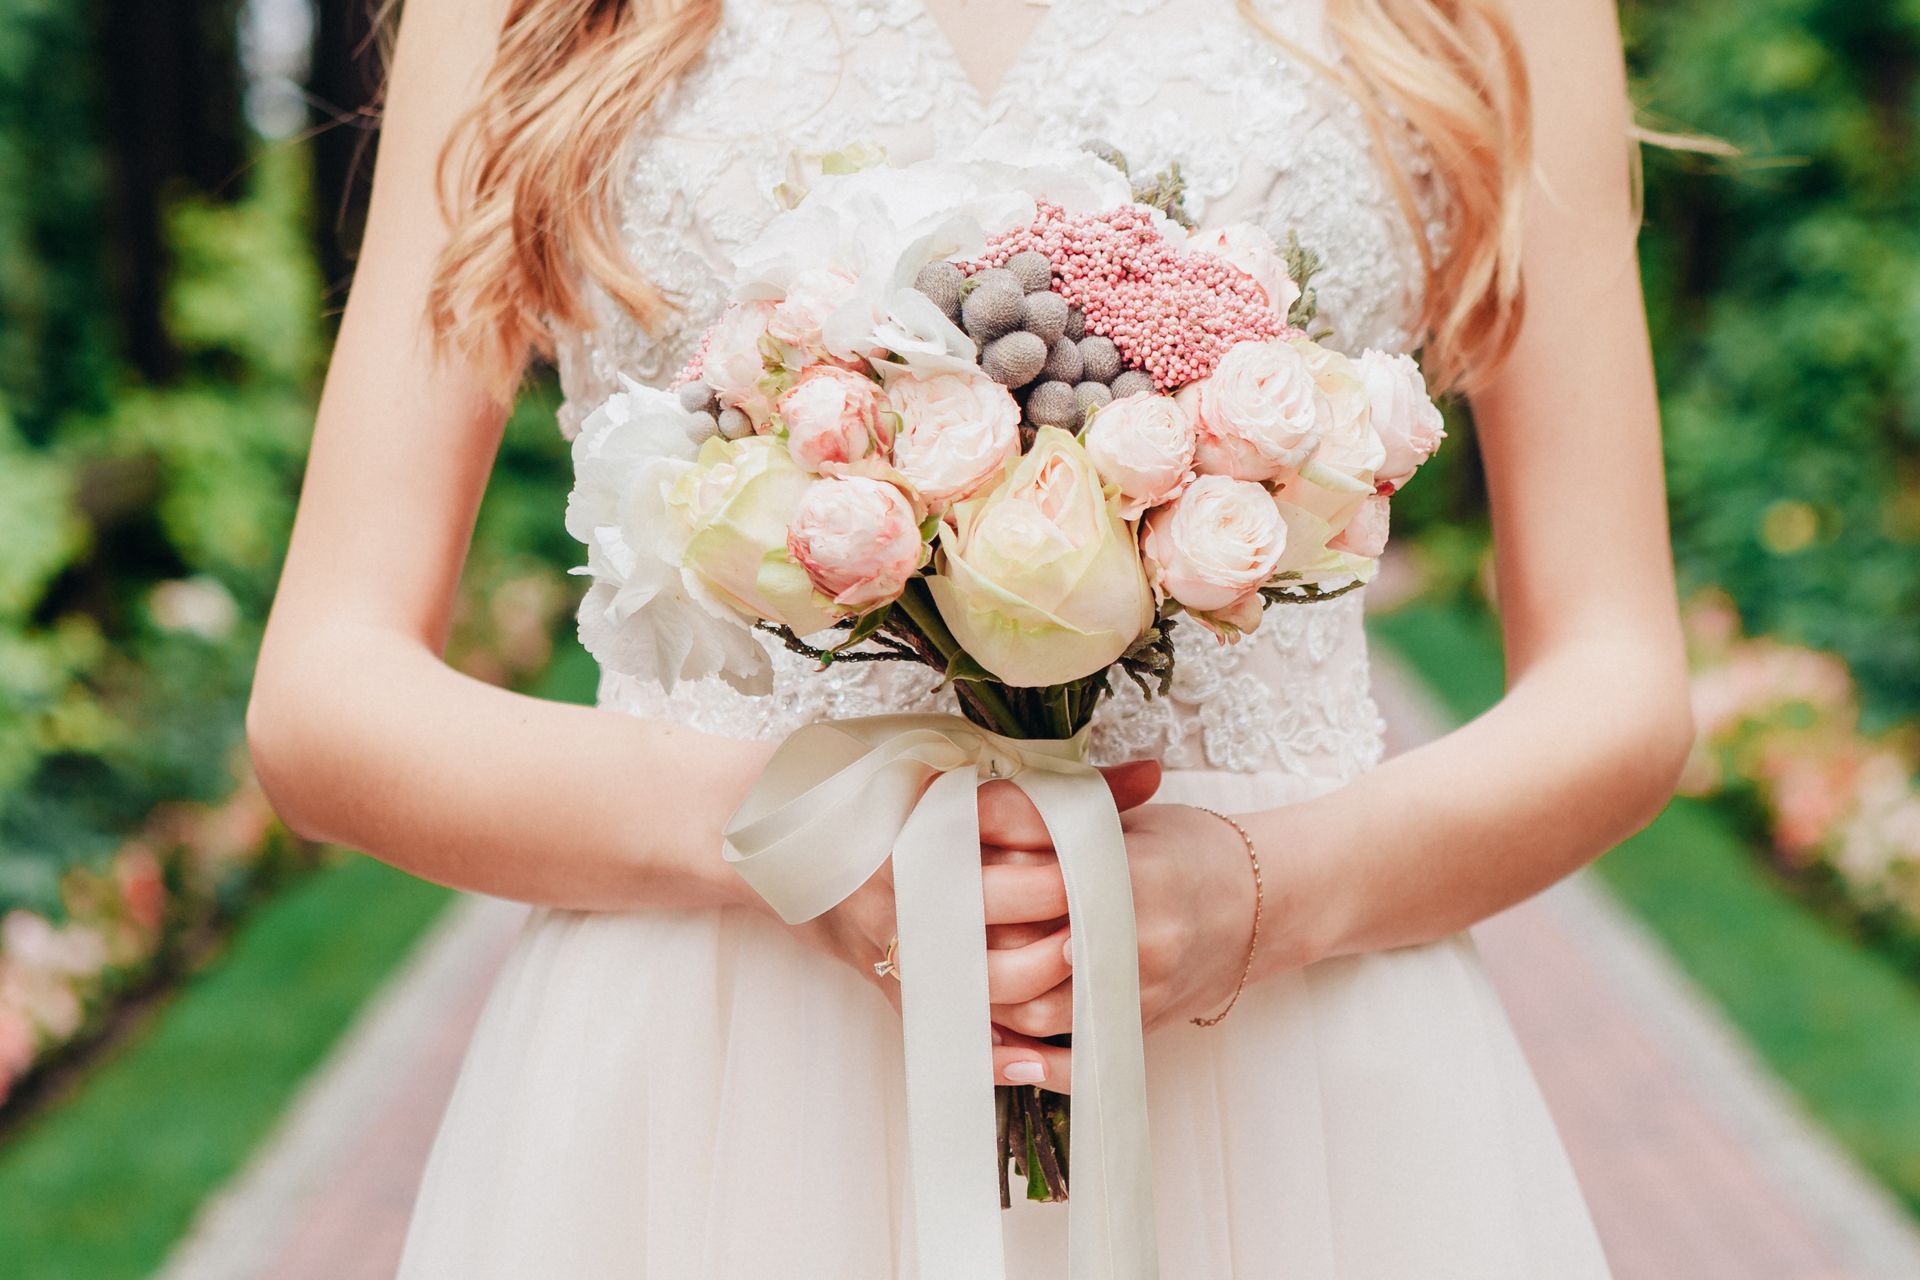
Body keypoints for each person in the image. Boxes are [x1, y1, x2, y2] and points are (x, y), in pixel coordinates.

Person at [248, 0, 1688, 1273]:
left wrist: (1271, 893)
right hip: (720, 1089)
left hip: (1288, 1076)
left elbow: (1619, 680)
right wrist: (808, 841)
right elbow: (326, 696)